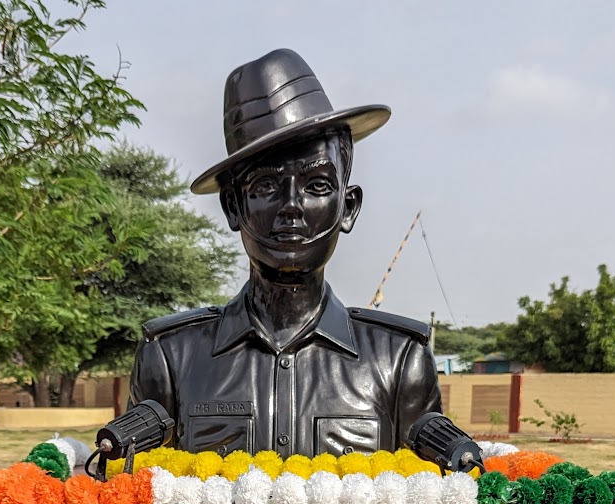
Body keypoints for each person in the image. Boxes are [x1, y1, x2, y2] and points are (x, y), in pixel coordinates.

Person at [128, 48, 441, 458]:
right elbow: (132, 494)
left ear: (347, 208)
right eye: (265, 188)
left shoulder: (399, 361)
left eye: (316, 186)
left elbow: (428, 500)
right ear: (233, 207)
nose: (291, 206)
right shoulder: (171, 356)